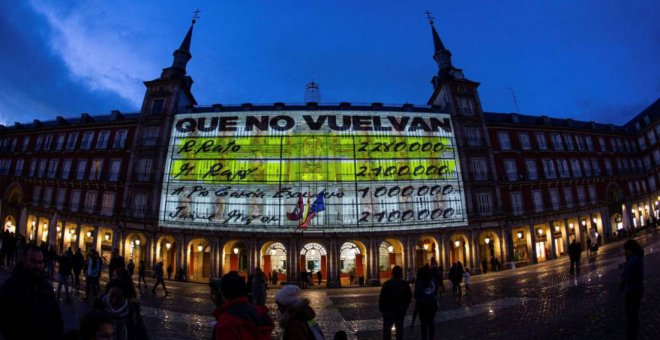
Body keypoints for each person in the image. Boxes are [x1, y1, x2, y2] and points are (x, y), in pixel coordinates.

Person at [0, 245, 64, 339]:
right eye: (33, 261)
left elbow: (57, 321)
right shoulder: (10, 287)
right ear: (24, 260)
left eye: (40, 262)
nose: (37, 266)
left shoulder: (47, 289)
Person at [212, 271, 274, 339]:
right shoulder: (259, 312)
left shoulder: (227, 322)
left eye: (214, 293)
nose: (213, 296)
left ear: (223, 295)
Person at [378, 265, 412, 340]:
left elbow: (382, 298)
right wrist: (405, 307)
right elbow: (409, 297)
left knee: (387, 330)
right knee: (399, 330)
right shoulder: (405, 284)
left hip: (388, 311)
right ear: (401, 274)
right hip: (400, 311)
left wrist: (382, 309)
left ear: (392, 273)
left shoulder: (387, 284)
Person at [620, 239, 644, 339]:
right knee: (633, 315)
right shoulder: (637, 258)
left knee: (631, 315)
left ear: (631, 249)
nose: (625, 252)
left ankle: (632, 335)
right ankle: (634, 332)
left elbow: (627, 274)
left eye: (626, 250)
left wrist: (624, 268)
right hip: (637, 288)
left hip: (632, 290)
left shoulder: (633, 260)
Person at [414, 265, 438, 340]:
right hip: (432, 305)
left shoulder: (419, 282)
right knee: (431, 322)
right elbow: (436, 291)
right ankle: (432, 337)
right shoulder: (433, 280)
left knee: (423, 324)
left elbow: (416, 295)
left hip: (422, 306)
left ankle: (424, 337)